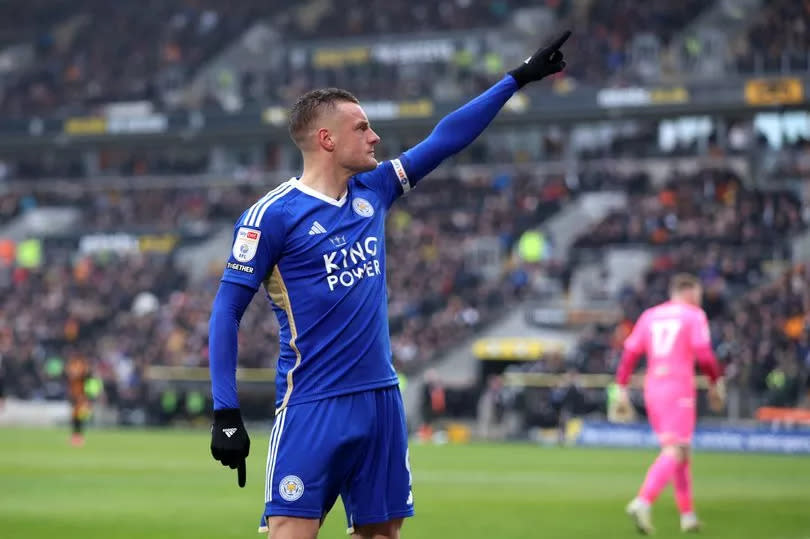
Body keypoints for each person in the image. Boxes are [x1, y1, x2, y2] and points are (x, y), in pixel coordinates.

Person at [208, 31, 571, 539]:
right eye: (363, 127)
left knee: (383, 535)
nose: (375, 137)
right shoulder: (271, 216)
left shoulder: (373, 189)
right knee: (291, 533)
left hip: (381, 398)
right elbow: (226, 312)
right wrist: (225, 412)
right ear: (327, 139)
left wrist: (516, 79)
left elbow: (445, 139)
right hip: (314, 402)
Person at [615, 273, 725, 534]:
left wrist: (620, 388)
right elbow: (704, 353)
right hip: (678, 387)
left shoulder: (650, 315)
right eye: (697, 294)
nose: (699, 300)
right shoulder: (693, 315)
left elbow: (630, 353)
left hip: (653, 386)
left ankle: (687, 516)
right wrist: (715, 382)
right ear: (689, 292)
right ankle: (643, 501)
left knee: (681, 452)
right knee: (675, 451)